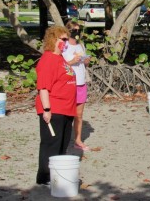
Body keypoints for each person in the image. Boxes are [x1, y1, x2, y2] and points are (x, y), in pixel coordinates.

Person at [35, 26, 76, 185]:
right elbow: (43, 87)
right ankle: (44, 177)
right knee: (51, 143)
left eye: (67, 39)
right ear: (54, 40)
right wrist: (46, 109)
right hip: (54, 108)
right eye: (63, 39)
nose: (66, 43)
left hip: (67, 108)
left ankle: (57, 176)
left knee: (62, 144)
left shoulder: (60, 58)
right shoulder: (47, 59)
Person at [63, 20, 91, 151]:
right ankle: (63, 140)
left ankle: (78, 140)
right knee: (66, 114)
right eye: (74, 30)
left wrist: (86, 61)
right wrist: (71, 61)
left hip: (81, 83)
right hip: (69, 83)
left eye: (79, 30)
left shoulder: (81, 46)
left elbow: (85, 65)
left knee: (79, 115)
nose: (77, 33)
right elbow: (60, 65)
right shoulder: (64, 46)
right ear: (68, 31)